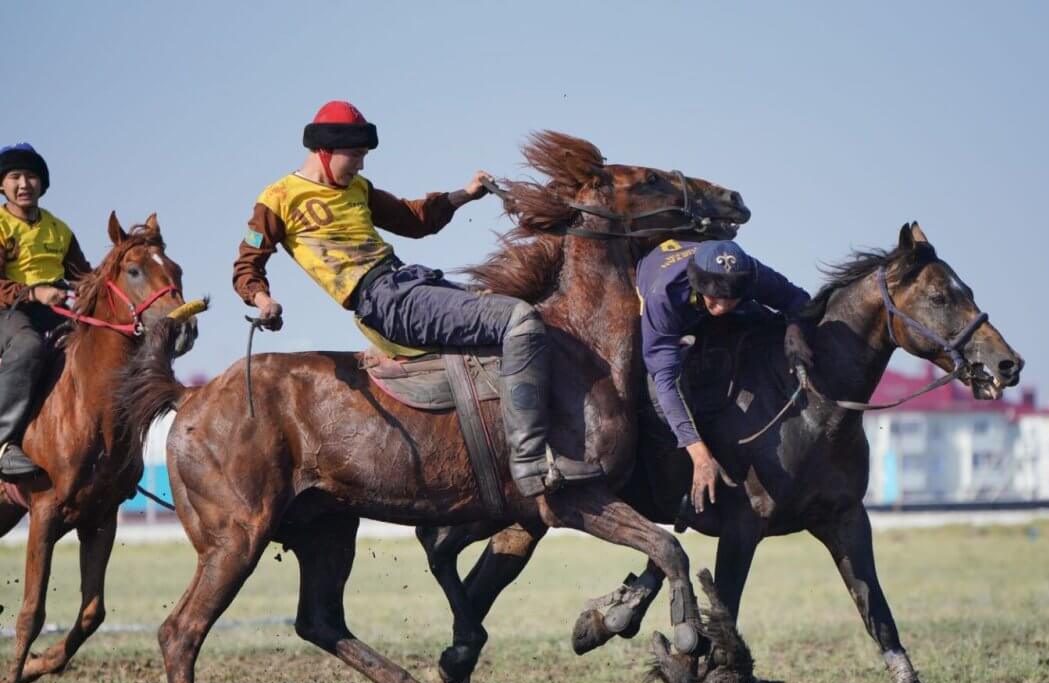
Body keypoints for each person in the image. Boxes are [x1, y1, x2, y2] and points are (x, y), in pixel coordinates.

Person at [233, 100, 603, 497]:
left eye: (363, 156)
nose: (360, 165)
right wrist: (262, 300)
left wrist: (465, 194)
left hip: (410, 282)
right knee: (519, 319)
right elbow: (247, 264)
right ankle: (530, 463)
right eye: (355, 156)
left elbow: (414, 220)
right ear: (324, 151)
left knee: (522, 318)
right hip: (383, 302)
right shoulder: (278, 198)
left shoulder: (359, 189)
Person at [636, 238, 813, 512]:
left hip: (710, 306)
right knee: (656, 399)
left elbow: (798, 298)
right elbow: (665, 381)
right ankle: (672, 492)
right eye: (715, 296)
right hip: (669, 319)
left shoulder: (752, 273)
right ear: (698, 284)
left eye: (731, 297)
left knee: (769, 325)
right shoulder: (665, 295)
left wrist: (794, 327)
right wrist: (699, 456)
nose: (722, 306)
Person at [0, 143, 91, 479]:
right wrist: (34, 292)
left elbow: (83, 275)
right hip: (7, 313)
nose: (24, 184)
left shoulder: (59, 229)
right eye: (15, 176)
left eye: (32, 176)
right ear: (2, 185)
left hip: (54, 312)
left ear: (43, 183)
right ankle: (3, 443)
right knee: (28, 346)